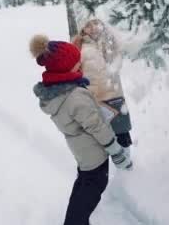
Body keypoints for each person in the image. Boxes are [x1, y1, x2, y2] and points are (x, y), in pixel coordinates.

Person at [30, 34, 132, 225]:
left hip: (83, 152)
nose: (80, 65)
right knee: (92, 189)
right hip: (95, 154)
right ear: (66, 68)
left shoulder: (60, 92)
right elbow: (96, 126)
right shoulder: (76, 96)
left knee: (83, 185)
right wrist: (116, 150)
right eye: (77, 63)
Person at [73, 19, 133, 151]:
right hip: (96, 100)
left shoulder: (108, 41)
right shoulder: (79, 46)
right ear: (83, 29)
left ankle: (127, 168)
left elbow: (122, 49)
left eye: (96, 23)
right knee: (102, 141)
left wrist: (108, 34)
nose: (93, 27)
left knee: (123, 138)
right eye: (88, 25)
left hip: (115, 96)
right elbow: (74, 69)